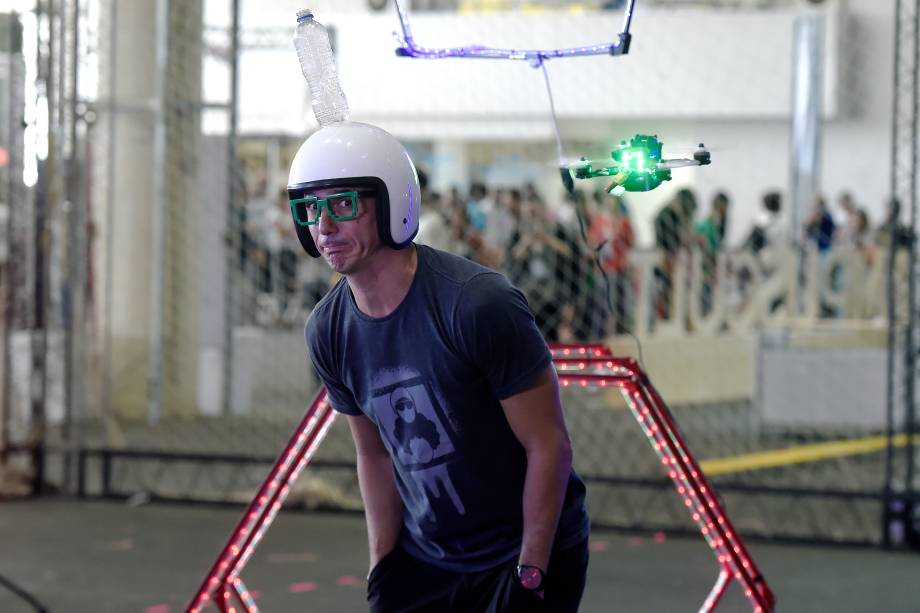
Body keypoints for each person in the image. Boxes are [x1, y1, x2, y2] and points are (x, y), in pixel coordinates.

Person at [288, 122, 590, 613]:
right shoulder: (327, 329)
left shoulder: (477, 305)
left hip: (525, 548)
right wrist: (383, 565)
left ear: (391, 204)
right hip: (427, 558)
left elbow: (548, 443)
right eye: (310, 208)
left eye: (343, 205)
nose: (323, 226)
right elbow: (375, 455)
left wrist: (532, 568)